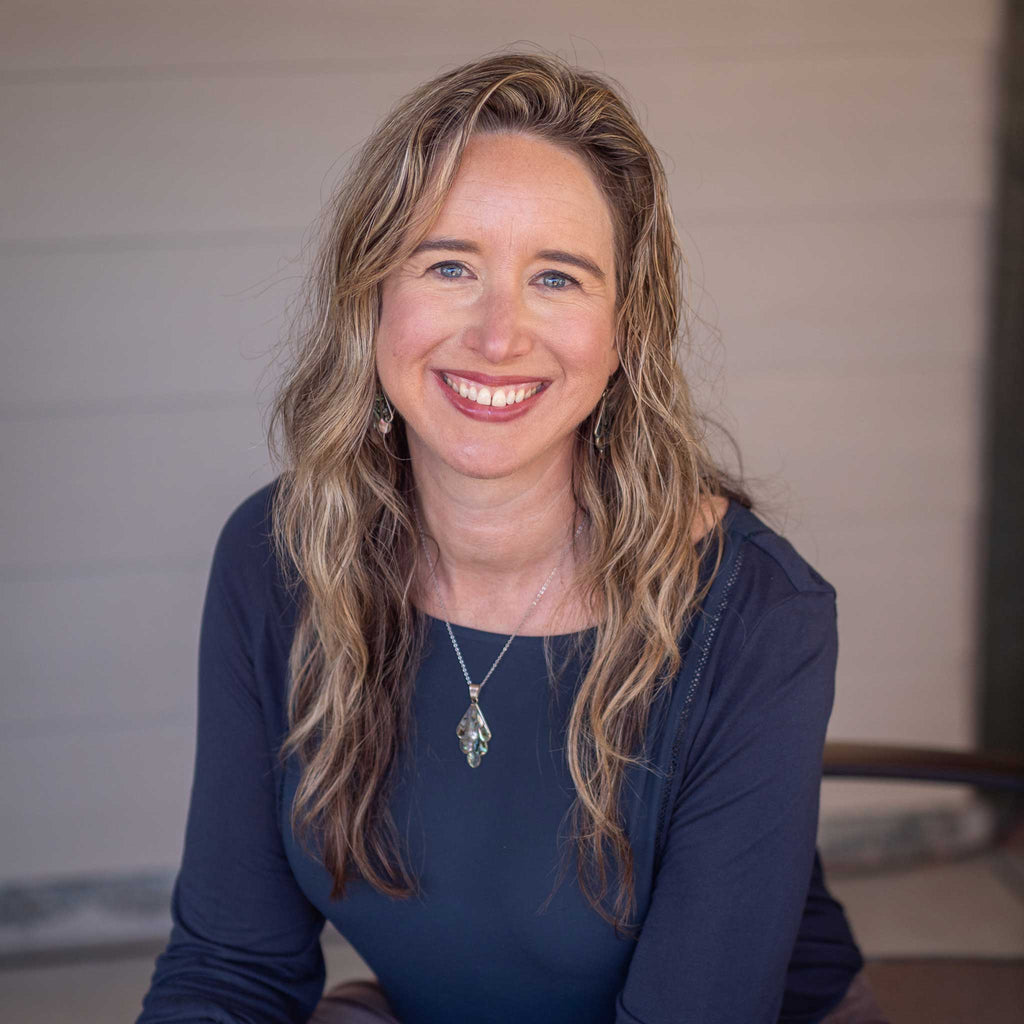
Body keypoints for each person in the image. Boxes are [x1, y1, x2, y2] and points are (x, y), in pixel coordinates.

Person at [137, 53, 886, 1024]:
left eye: (557, 278)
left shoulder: (756, 615)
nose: (498, 335)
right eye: (449, 265)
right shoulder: (277, 556)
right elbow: (230, 967)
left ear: (622, 334)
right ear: (372, 297)